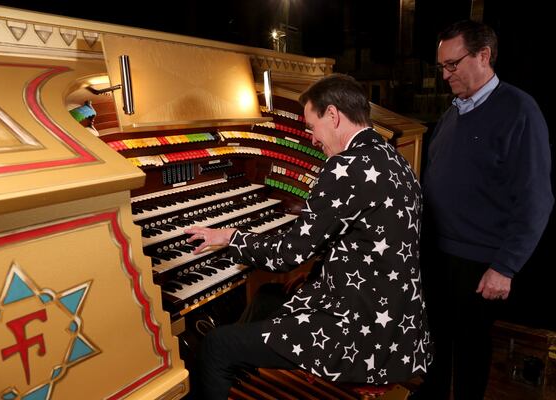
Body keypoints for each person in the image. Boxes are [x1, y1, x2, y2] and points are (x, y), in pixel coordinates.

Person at [185, 73, 433, 399]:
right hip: (397, 328)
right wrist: (314, 278)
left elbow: (288, 254)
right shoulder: (395, 160)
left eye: (312, 127)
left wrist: (231, 236)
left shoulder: (346, 167)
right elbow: (362, 242)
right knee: (267, 297)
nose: (313, 139)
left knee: (217, 345)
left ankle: (225, 366)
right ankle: (240, 375)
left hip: (360, 337)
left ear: (333, 115)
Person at [419, 20, 554, 400]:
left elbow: (536, 198)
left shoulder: (520, 110)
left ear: (484, 55)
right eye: (442, 66)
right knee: (434, 343)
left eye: (453, 64)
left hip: (478, 263)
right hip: (438, 255)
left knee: (470, 351)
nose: (445, 75)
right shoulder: (453, 113)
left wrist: (505, 266)